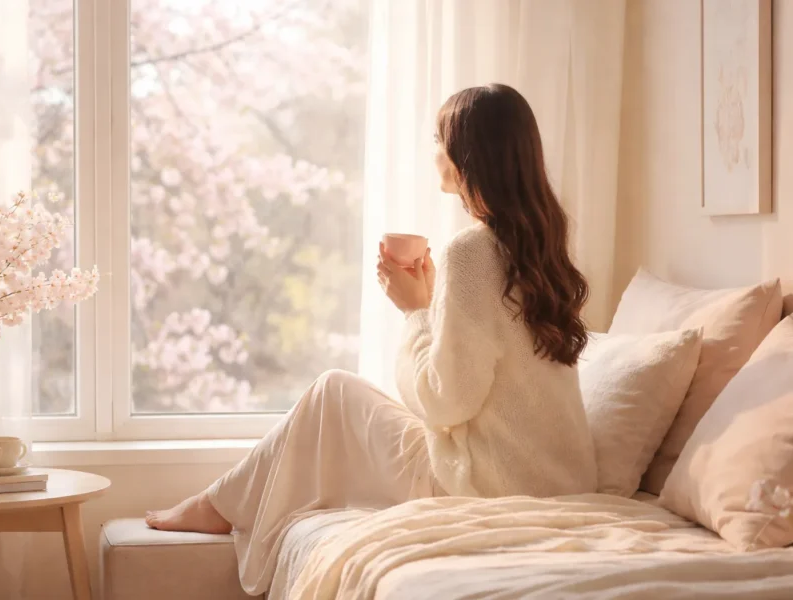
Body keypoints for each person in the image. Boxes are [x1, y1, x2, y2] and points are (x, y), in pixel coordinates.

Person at [146, 83, 598, 595]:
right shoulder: (546, 248)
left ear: (467, 156)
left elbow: (446, 402)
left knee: (333, 391)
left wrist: (414, 313)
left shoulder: (471, 252)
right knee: (337, 397)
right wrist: (432, 307)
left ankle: (216, 506)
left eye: (438, 139)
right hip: (562, 488)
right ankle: (219, 503)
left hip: (484, 488)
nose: (433, 153)